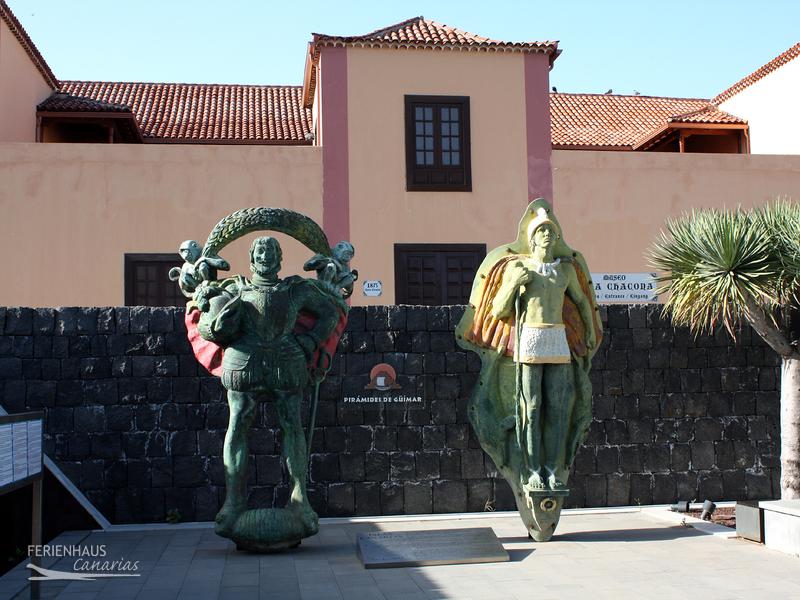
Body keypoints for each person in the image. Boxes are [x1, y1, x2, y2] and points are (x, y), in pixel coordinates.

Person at [193, 236, 340, 546]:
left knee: (292, 426)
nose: (265, 255)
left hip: (286, 361)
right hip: (243, 360)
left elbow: (328, 313)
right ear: (251, 256)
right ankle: (233, 503)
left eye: (271, 251)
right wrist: (209, 307)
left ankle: (300, 499)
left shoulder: (295, 289)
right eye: (260, 250)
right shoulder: (234, 289)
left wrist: (310, 342)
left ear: (279, 258)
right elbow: (208, 327)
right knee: (238, 425)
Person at [488, 210, 596, 493]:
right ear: (532, 239)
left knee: (559, 409)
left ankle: (552, 468)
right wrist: (512, 284)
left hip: (557, 339)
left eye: (551, 230)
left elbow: (583, 303)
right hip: (530, 340)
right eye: (541, 231)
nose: (547, 234)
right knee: (531, 408)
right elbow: (498, 311)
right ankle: (533, 468)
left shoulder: (565, 270)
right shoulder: (518, 268)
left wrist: (590, 330)